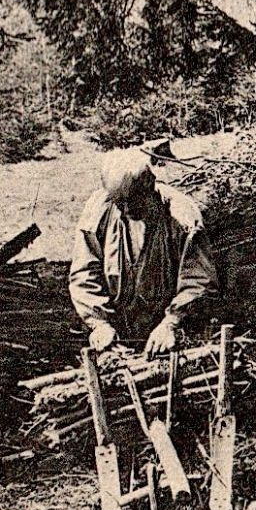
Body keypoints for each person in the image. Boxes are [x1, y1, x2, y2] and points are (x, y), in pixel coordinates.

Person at [69, 148, 218, 356]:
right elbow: (84, 273)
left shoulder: (183, 218)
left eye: (133, 199)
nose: (126, 210)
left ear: (150, 184)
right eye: (119, 202)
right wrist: (99, 323)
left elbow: (198, 281)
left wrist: (172, 323)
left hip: (169, 330)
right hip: (118, 332)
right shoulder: (99, 210)